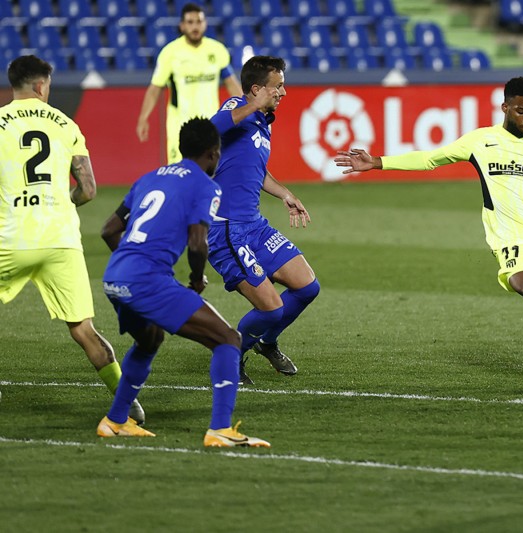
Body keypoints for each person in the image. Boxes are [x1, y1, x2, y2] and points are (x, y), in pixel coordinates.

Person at [334, 76, 523, 381]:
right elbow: (430, 159)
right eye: (522, 111)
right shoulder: (480, 141)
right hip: (510, 240)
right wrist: (379, 162)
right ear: (505, 107)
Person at [96, 118, 269, 448]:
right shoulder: (206, 186)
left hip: (114, 276)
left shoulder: (149, 177)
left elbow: (108, 230)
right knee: (228, 339)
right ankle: (220, 429)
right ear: (213, 153)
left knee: (149, 339)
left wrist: (130, 265)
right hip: (147, 281)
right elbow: (197, 241)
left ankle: (115, 421)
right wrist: (195, 278)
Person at [0, 55, 144, 424]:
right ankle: (126, 403)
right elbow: (89, 190)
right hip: (61, 239)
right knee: (83, 329)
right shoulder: (66, 124)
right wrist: (61, 202)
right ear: (42, 86)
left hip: (11, 238)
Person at [208, 55, 318, 385]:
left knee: (307, 286)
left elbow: (256, 170)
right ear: (257, 89)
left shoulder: (261, 122)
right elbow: (211, 128)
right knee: (270, 308)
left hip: (253, 225)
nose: (283, 92)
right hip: (226, 229)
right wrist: (252, 105)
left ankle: (266, 341)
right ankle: (231, 355)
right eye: (278, 86)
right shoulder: (236, 107)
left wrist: (285, 194)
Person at [136, 2, 243, 164]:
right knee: (179, 175)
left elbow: (231, 83)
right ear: (182, 26)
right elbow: (154, 88)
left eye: (199, 21)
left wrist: (245, 109)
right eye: (190, 22)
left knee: (212, 175)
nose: (195, 26)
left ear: (205, 24)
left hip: (211, 125)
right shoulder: (170, 53)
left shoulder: (217, 50)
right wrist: (143, 118)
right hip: (180, 126)